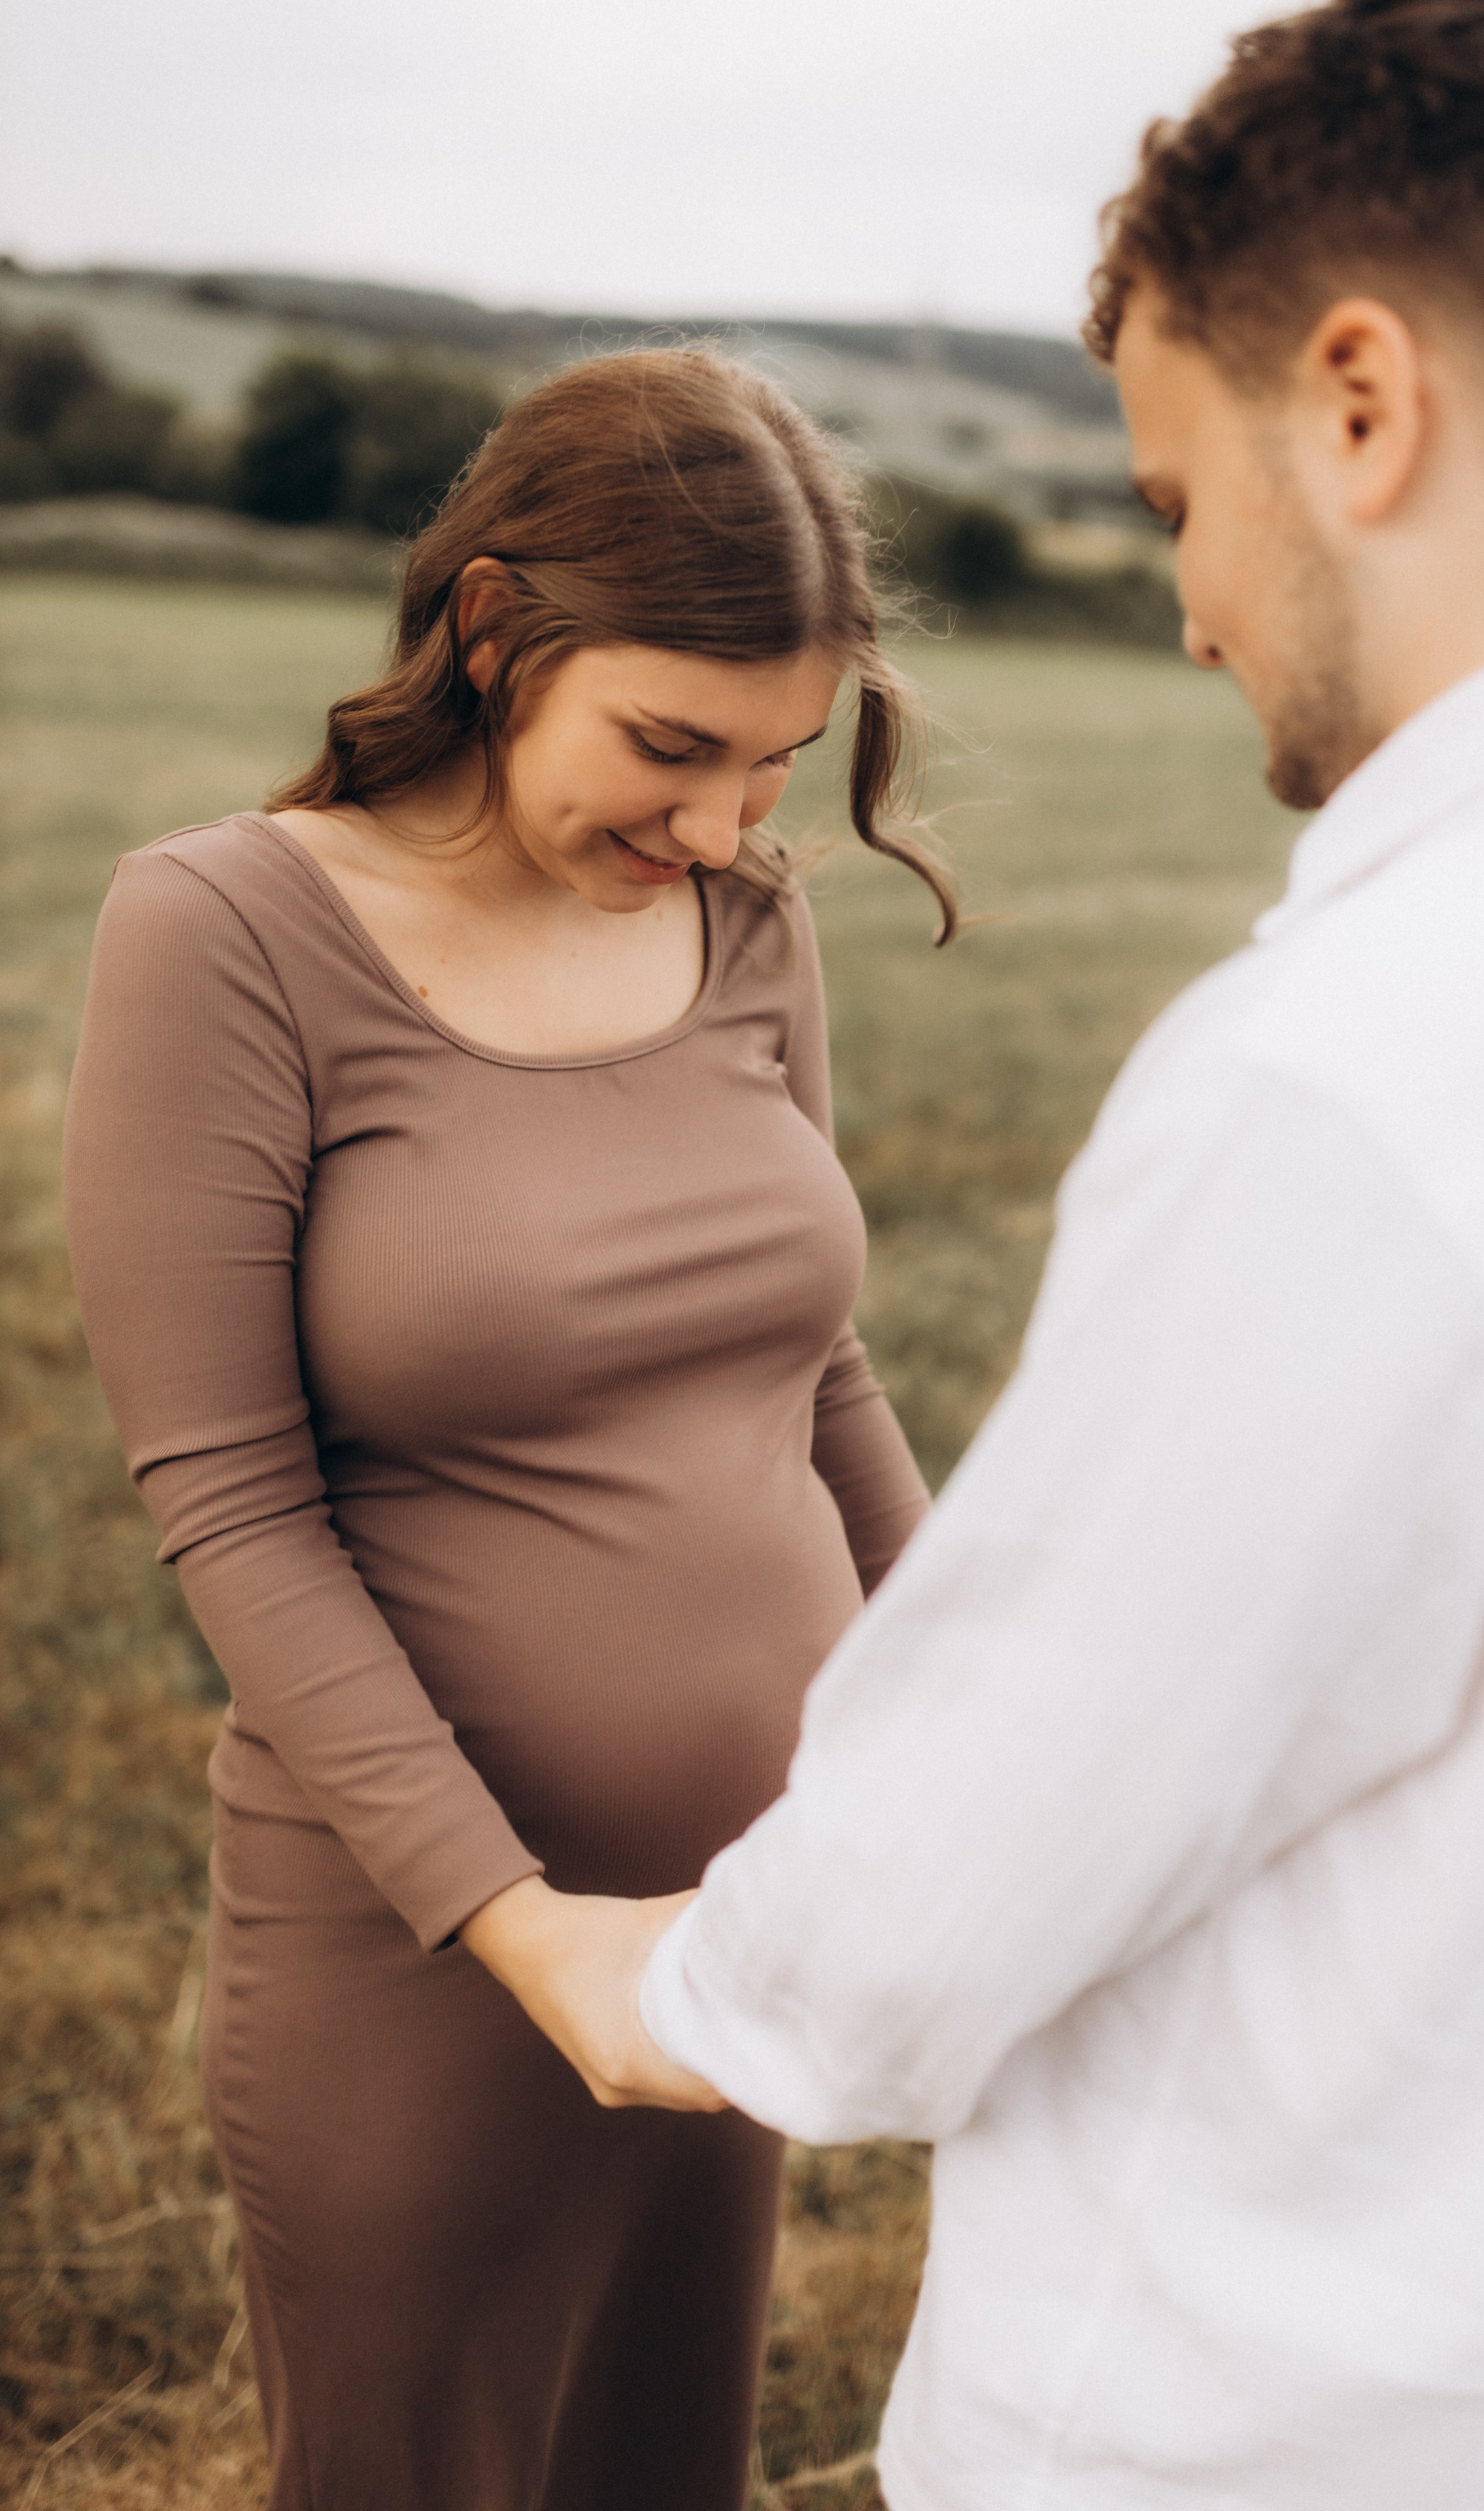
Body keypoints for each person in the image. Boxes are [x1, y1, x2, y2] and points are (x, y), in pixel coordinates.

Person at [535, 5, 1484, 2505]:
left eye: (1176, 497)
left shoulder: (1362, 1076)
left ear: (1358, 403)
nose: (1183, 606)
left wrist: (678, 1982)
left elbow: (972, 1856)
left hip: (1284, 2421)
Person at [61, 347, 952, 2511]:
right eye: (670, 747)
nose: (726, 829)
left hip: (728, 1930)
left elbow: (815, 1376)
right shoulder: (227, 934)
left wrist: (965, 1701)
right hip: (437, 1954)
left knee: (665, 2475)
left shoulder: (744, 926)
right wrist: (527, 1922)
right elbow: (234, 1507)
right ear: (493, 631)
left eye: (774, 766)